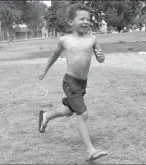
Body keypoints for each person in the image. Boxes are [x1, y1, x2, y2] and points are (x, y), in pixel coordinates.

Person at [38, 3, 107, 161]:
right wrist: (45, 70)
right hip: (70, 83)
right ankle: (90, 150)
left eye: (88, 19)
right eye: (81, 18)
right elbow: (54, 55)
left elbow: (100, 58)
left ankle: (46, 116)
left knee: (69, 111)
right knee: (82, 114)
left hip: (82, 83)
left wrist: (101, 57)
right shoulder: (65, 40)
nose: (86, 22)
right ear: (71, 22)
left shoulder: (93, 39)